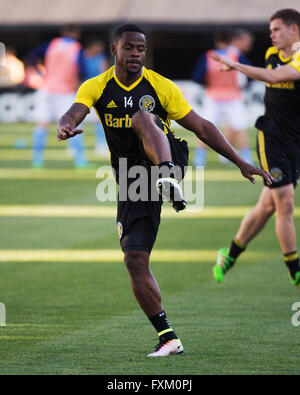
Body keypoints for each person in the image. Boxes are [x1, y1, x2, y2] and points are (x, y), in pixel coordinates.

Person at [57, 24, 272, 357]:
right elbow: (76, 110)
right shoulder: (96, 86)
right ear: (115, 50)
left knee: (142, 117)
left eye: (141, 49)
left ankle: (168, 177)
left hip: (167, 157)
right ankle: (168, 336)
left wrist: (240, 162)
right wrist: (66, 124)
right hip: (132, 178)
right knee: (134, 258)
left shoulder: (160, 86)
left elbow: (201, 126)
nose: (136, 54)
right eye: (129, 48)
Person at [211, 9, 300, 288]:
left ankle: (230, 253)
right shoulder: (272, 55)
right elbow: (271, 75)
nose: (271, 34)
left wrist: (236, 65)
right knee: (284, 201)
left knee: (266, 207)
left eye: (276, 29)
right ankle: (296, 271)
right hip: (271, 136)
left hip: (295, 141)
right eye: (271, 30)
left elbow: (274, 78)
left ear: (293, 29)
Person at [26, 24, 88, 169]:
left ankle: (37, 160)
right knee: (73, 124)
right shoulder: (77, 48)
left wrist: (40, 73)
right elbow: (83, 71)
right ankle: (80, 161)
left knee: (41, 125)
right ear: (75, 34)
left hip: (47, 89)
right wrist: (77, 83)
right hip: (66, 92)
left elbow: (31, 56)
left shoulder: (52, 44)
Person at [191, 29, 254, 167]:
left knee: (205, 129)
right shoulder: (235, 55)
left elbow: (197, 77)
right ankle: (246, 158)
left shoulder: (208, 56)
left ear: (215, 41)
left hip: (213, 96)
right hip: (233, 96)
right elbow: (250, 73)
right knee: (240, 128)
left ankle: (199, 159)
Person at [78, 37, 110, 156]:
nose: (100, 49)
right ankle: (74, 145)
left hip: (97, 91)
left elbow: (104, 74)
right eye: (98, 46)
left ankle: (101, 144)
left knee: (100, 119)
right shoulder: (82, 57)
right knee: (77, 117)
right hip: (83, 90)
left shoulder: (101, 58)